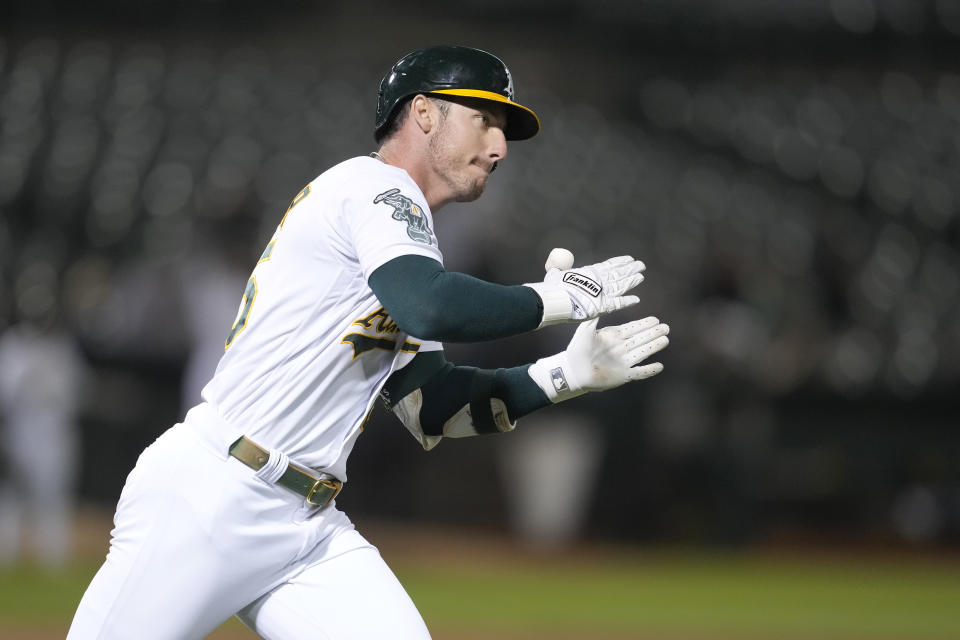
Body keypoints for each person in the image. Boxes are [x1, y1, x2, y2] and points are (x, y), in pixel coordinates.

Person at [67, 45, 670, 640]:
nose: (499, 147)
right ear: (425, 113)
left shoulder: (399, 246)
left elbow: (436, 408)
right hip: (214, 496)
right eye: (484, 119)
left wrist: (565, 373)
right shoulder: (373, 188)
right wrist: (559, 298)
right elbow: (429, 306)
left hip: (307, 525)